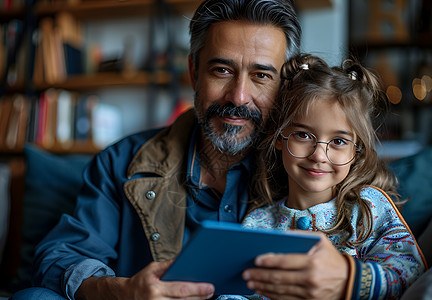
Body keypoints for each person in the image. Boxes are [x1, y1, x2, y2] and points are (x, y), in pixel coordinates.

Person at [11, 0, 302, 299]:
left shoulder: (306, 168)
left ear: (283, 86)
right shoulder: (121, 162)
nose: (239, 97)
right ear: (193, 72)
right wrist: (124, 291)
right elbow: (60, 258)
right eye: (222, 70)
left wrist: (352, 277)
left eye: (261, 76)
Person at [239, 54, 427, 299]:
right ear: (279, 136)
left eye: (338, 141)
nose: (319, 155)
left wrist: (349, 279)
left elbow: (409, 274)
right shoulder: (257, 225)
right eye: (304, 135)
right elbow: (236, 290)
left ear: (356, 150)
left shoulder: (368, 209)